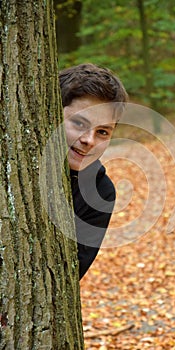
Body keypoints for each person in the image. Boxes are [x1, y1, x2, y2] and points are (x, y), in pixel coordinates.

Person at [59, 63, 128, 280]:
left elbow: (68, 275)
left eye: (102, 132)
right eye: (79, 123)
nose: (89, 140)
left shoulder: (100, 191)